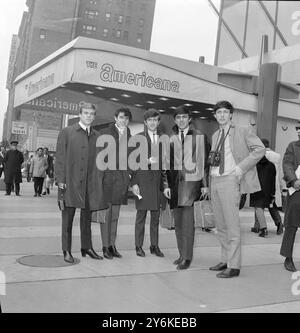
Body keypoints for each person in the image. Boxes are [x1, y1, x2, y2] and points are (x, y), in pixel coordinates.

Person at [209, 101, 265, 278]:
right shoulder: (215, 135)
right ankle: (225, 259)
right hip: (215, 179)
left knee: (232, 225)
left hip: (230, 180)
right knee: (221, 225)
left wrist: (240, 169)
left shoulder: (242, 130)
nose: (222, 115)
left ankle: (234, 266)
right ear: (215, 115)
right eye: (219, 112)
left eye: (226, 112)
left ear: (231, 114)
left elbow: (260, 149)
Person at [55, 102, 107, 263]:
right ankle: (66, 250)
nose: (89, 116)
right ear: (79, 114)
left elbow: (100, 162)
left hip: (89, 185)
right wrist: (60, 180)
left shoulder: (98, 136)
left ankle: (87, 247)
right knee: (67, 220)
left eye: (91, 114)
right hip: (70, 183)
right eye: (86, 113)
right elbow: (60, 158)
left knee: (86, 220)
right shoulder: (67, 132)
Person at [163, 105, 209, 270]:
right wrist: (166, 185)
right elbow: (165, 164)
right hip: (175, 185)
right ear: (175, 120)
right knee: (179, 224)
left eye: (184, 117)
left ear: (189, 119)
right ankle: (181, 254)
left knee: (188, 224)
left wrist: (205, 185)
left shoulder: (199, 136)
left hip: (191, 184)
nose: (181, 120)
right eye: (178, 117)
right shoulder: (171, 137)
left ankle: (187, 258)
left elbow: (205, 163)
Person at [99, 107, 132, 259]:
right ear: (115, 118)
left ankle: (112, 245)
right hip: (107, 179)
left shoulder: (129, 134)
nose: (124, 120)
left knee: (115, 216)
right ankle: (105, 246)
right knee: (106, 215)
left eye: (126, 118)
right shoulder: (105, 133)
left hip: (121, 180)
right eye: (121, 117)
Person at [131, 109, 165, 258]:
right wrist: (134, 183)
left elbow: (166, 165)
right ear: (145, 122)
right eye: (149, 120)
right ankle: (138, 246)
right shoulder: (137, 138)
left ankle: (154, 245)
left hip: (157, 183)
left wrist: (165, 185)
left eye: (155, 120)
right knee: (141, 217)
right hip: (142, 182)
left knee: (155, 218)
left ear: (158, 122)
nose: (152, 122)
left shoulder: (164, 139)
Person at [251, 138, 284, 235]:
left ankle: (258, 226)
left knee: (258, 206)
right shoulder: (277, 156)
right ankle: (279, 223)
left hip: (259, 183)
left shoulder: (258, 157)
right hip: (272, 184)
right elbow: (280, 171)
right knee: (272, 206)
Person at [279, 123, 300, 272]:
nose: (299, 131)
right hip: (297, 190)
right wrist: (294, 180)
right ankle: (288, 257)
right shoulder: (293, 146)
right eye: (298, 129)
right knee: (291, 225)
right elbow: (287, 164)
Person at [249, 155, 276, 237]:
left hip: (256, 188)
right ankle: (256, 227)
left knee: (258, 208)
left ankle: (263, 229)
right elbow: (273, 179)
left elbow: (250, 177)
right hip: (267, 190)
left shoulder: (254, 165)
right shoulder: (271, 165)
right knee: (260, 208)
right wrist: (272, 192)